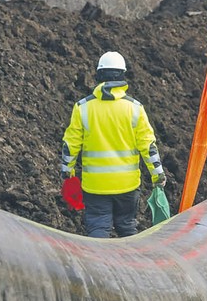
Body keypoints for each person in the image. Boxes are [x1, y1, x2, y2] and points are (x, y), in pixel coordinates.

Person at [62, 51, 167, 238]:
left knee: (97, 229)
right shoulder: (135, 109)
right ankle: (131, 265)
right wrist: (157, 175)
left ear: (99, 75)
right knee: (127, 228)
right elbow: (148, 146)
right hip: (127, 186)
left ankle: (96, 265)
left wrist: (67, 173)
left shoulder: (83, 108)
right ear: (123, 75)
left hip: (95, 187)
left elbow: (70, 146)